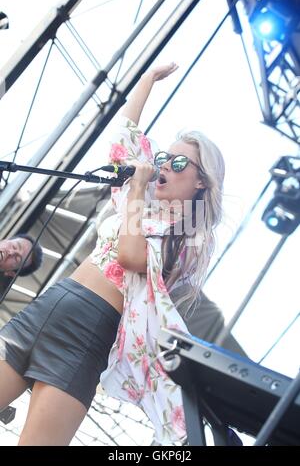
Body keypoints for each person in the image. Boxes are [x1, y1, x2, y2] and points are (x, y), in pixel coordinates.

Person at [0, 62, 225, 445]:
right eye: (164, 159)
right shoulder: (140, 200)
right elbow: (126, 137)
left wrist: (138, 190)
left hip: (86, 334)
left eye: (180, 162)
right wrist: (146, 81)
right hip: (50, 305)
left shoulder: (189, 232)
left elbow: (132, 257)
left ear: (202, 179)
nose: (166, 165)